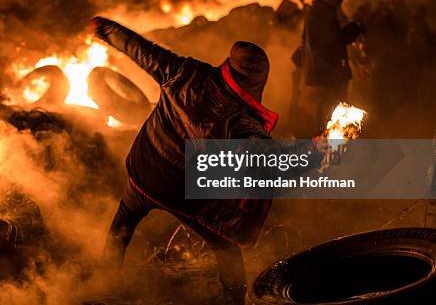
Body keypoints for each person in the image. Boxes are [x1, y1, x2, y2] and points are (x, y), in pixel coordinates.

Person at [89, 16, 329, 304]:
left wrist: (105, 29)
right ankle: (235, 299)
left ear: (229, 62)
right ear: (258, 81)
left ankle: (106, 280)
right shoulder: (243, 121)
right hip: (186, 193)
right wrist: (318, 147)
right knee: (225, 247)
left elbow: (141, 49)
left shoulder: (185, 71)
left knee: (123, 222)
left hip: (145, 172)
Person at [302, 0, 363, 129]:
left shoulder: (317, 11)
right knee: (331, 105)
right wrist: (355, 28)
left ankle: (326, 135)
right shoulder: (323, 13)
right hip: (329, 70)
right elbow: (333, 40)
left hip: (324, 69)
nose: (340, 3)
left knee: (326, 105)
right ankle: (329, 137)